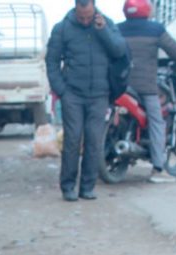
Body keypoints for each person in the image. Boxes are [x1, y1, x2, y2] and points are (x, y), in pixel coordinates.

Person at [46, 0, 126, 202]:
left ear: (94, 9)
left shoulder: (106, 24)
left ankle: (88, 187)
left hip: (100, 94)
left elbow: (119, 51)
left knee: (94, 141)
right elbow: (52, 61)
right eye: (81, 17)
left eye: (88, 16)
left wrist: (103, 31)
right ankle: (68, 187)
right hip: (72, 93)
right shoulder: (62, 28)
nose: (84, 20)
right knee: (72, 140)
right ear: (75, 9)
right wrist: (61, 90)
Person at [119, 0, 176, 184]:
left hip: (120, 85)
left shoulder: (117, 29)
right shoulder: (155, 29)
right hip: (145, 87)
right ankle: (158, 168)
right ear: (147, 10)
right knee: (157, 122)